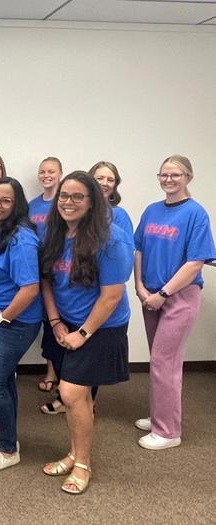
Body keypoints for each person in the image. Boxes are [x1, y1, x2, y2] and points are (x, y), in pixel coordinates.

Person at [40, 171, 133, 495]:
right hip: (64, 324)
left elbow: (111, 296)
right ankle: (73, 453)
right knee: (76, 396)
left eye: (77, 196)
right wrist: (55, 323)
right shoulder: (53, 233)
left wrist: (82, 332)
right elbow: (47, 282)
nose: (68, 202)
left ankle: (83, 463)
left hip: (100, 327)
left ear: (92, 201)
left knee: (70, 393)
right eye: (64, 195)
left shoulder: (111, 238)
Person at [133, 155, 215, 450]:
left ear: (188, 177)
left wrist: (163, 294)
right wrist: (140, 286)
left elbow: (196, 262)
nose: (168, 179)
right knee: (159, 360)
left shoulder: (196, 213)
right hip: (150, 295)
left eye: (175, 174)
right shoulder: (152, 210)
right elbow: (138, 249)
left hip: (178, 297)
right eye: (164, 174)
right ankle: (159, 414)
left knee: (164, 362)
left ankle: (168, 432)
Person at [0, 177, 42, 471]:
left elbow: (30, 288)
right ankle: (8, 437)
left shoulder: (21, 238)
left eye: (5, 201)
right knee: (5, 380)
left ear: (17, 206)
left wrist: (6, 316)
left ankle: (9, 450)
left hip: (16, 321)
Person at [28, 157, 64, 396]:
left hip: (60, 269)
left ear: (61, 173)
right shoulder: (32, 205)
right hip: (36, 269)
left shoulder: (64, 202)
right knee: (47, 322)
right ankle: (51, 370)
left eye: (51, 171)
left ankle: (65, 376)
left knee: (62, 320)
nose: (46, 175)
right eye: (42, 171)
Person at [89, 161, 134, 239]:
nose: (105, 183)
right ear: (89, 181)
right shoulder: (80, 210)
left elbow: (126, 248)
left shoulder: (119, 215)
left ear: (115, 185)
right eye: (100, 178)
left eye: (110, 180)